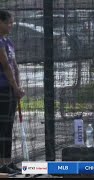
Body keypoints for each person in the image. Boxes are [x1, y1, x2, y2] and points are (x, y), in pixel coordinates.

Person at [0, 10, 25, 174]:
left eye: (12, 22)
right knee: (2, 126)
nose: (11, 25)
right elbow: (6, 66)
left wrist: (18, 87)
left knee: (8, 126)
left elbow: (14, 65)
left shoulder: (8, 42)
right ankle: (1, 163)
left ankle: (8, 161)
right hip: (2, 88)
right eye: (8, 22)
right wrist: (14, 86)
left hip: (11, 89)